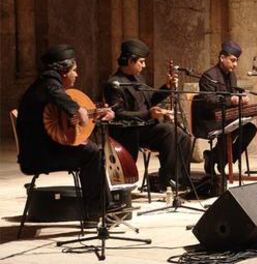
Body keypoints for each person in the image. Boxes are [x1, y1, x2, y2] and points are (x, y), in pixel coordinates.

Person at [16, 44, 115, 219]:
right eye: (74, 70)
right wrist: (77, 109)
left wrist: (96, 113)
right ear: (63, 71)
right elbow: (59, 96)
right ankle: (96, 211)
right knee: (91, 153)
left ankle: (103, 207)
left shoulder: (46, 83)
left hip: (45, 149)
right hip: (39, 156)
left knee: (90, 149)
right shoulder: (49, 83)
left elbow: (61, 115)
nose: (76, 74)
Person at [104, 39, 192, 190]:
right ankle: (168, 180)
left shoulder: (138, 79)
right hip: (131, 130)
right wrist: (148, 115)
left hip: (148, 126)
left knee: (184, 136)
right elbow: (118, 114)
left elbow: (150, 99)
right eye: (141, 62)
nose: (144, 66)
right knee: (170, 132)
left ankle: (182, 180)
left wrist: (167, 87)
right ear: (130, 61)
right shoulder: (114, 83)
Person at [192, 40, 257, 175]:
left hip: (225, 116)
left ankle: (220, 159)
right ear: (222, 58)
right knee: (230, 129)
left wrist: (241, 98)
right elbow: (208, 100)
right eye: (233, 60)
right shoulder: (209, 76)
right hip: (209, 119)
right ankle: (216, 158)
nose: (235, 64)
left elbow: (232, 94)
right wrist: (231, 100)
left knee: (249, 128)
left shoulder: (231, 76)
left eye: (236, 61)